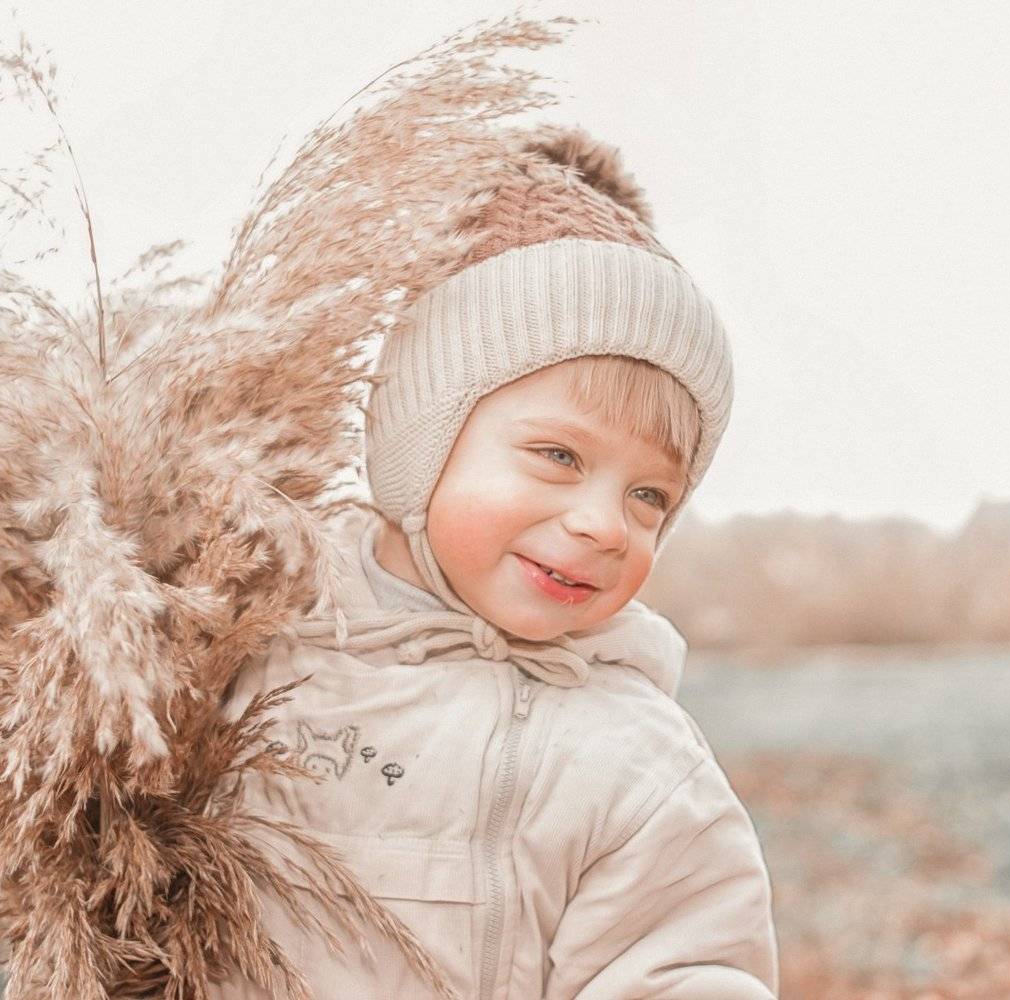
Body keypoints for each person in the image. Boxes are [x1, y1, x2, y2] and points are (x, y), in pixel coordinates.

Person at [213, 125, 779, 999]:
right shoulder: (242, 661)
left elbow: (686, 969)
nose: (605, 526)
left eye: (649, 497)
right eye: (559, 456)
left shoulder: (636, 763)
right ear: (419, 440)